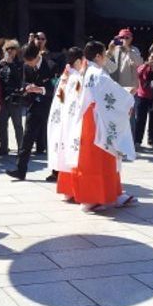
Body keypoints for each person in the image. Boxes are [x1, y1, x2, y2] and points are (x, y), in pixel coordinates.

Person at [55, 41, 137, 211]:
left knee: (95, 160)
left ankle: (107, 195)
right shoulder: (96, 73)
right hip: (96, 122)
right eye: (105, 54)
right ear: (98, 56)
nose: (106, 57)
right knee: (100, 160)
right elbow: (113, 94)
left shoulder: (86, 71)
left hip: (88, 119)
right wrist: (128, 96)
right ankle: (94, 198)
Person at [6, 44, 56, 180]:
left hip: (50, 107)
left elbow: (56, 86)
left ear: (37, 56)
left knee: (51, 139)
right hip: (33, 105)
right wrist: (27, 87)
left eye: (30, 61)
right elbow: (23, 82)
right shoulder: (26, 66)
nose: (27, 64)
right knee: (27, 138)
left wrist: (41, 89)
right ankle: (20, 170)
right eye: (26, 62)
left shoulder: (51, 65)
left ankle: (57, 172)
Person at [47, 46, 83, 178]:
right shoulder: (77, 77)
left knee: (59, 139)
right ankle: (63, 172)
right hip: (69, 115)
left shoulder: (65, 74)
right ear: (79, 61)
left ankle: (57, 171)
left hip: (60, 112)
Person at [0, 39, 25, 156]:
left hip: (15, 98)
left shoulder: (20, 64)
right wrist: (0, 63)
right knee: (2, 125)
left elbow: (19, 80)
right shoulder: (1, 64)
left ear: (16, 51)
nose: (10, 51)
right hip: (3, 99)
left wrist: (11, 64)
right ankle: (3, 147)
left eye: (12, 49)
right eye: (7, 49)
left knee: (17, 125)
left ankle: (21, 149)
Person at [134, 51, 153, 149]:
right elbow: (138, 73)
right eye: (152, 57)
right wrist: (147, 65)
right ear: (149, 57)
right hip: (142, 96)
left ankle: (152, 140)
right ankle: (137, 141)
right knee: (140, 119)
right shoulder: (143, 66)